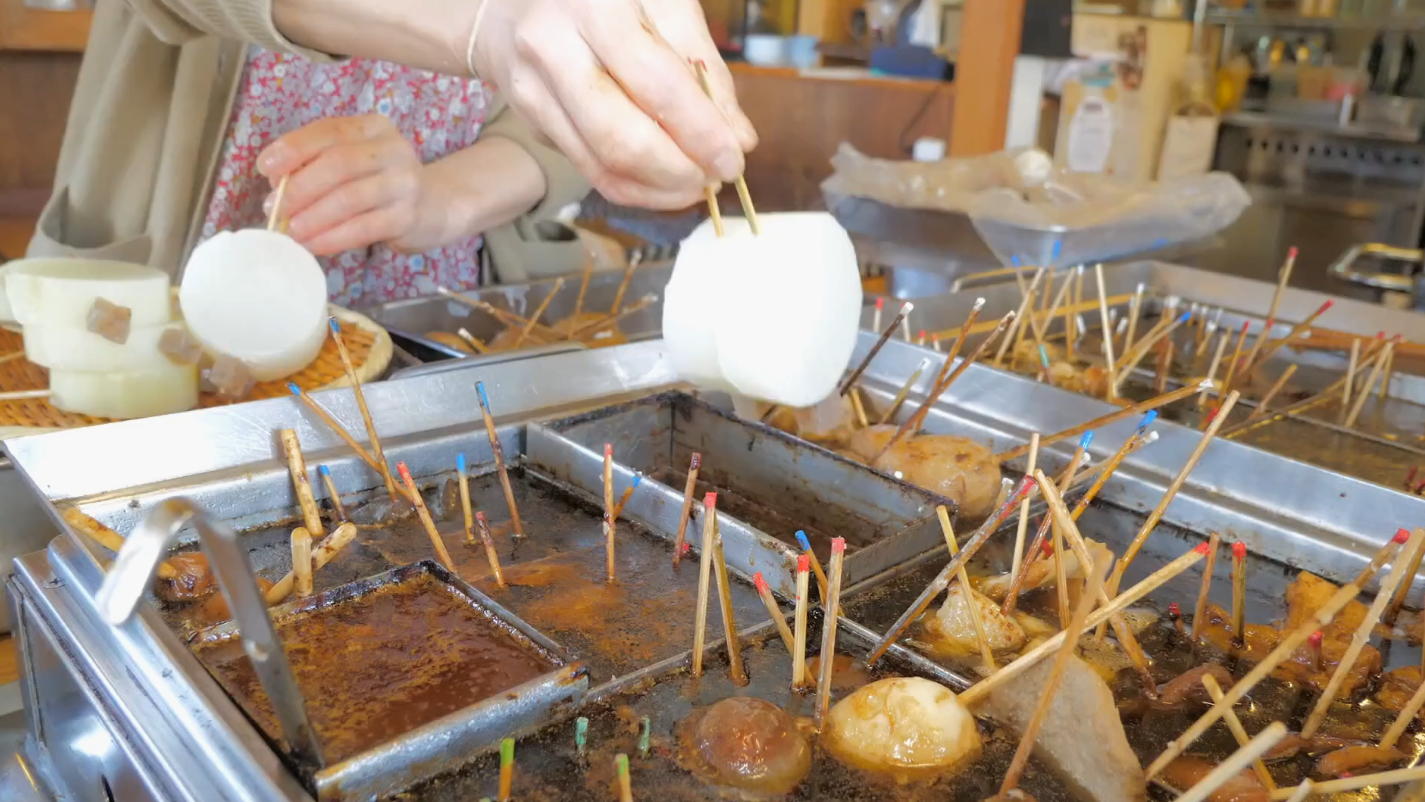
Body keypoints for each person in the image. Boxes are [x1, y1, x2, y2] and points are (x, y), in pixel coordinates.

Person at [29, 0, 757, 300]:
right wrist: (485, 22)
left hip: (431, 312)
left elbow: (542, 130)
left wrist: (441, 199)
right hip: (176, 297)